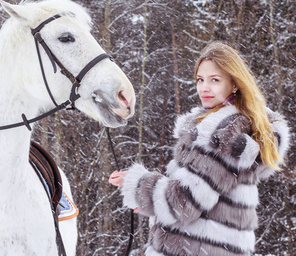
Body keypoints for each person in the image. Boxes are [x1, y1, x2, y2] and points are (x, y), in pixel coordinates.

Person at [109, 41, 290, 256]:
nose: (204, 87)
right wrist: (153, 206)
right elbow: (206, 197)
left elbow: (183, 202)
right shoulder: (245, 127)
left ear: (234, 84)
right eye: (200, 79)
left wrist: (137, 185)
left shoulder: (221, 134)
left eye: (214, 80)